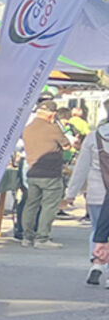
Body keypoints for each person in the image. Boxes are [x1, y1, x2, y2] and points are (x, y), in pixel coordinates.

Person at [65, 109, 108, 282]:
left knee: (97, 228)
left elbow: (81, 168)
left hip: (97, 192)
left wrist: (71, 193)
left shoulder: (93, 137)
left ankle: (96, 263)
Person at [18, 95, 68, 247]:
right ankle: (42, 238)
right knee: (49, 206)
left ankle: (27, 237)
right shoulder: (52, 128)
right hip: (51, 174)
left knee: (31, 204)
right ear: (52, 114)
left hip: (32, 172)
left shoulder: (27, 129)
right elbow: (66, 146)